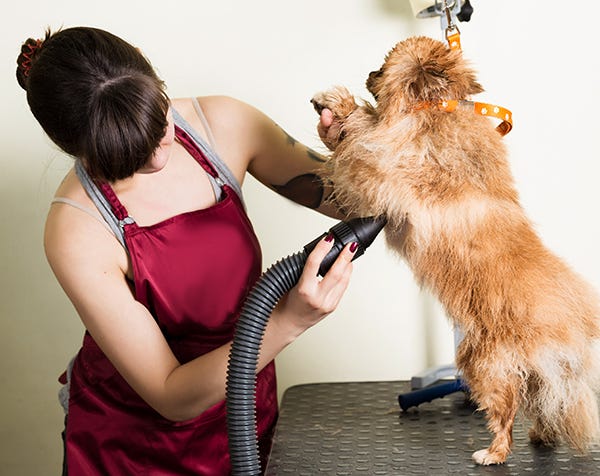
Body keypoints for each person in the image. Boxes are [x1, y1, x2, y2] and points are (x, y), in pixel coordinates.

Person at [17, 26, 355, 475]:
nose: (158, 156)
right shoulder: (76, 229)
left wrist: (361, 151)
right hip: (132, 448)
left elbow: (356, 201)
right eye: (128, 155)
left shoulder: (224, 127)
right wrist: (289, 320)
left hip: (245, 410)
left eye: (160, 124)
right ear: (75, 148)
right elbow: (171, 394)